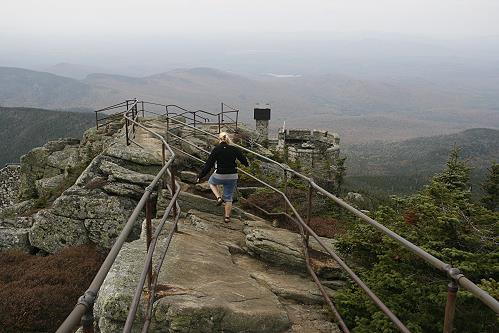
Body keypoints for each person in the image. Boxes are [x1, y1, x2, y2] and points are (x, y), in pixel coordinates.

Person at [197, 132, 249, 223]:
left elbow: (208, 165)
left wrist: (200, 176)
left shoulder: (216, 149)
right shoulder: (234, 149)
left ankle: (219, 198)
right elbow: (244, 161)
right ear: (228, 139)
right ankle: (227, 217)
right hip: (232, 176)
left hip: (219, 175)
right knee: (228, 197)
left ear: (219, 139)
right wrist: (246, 164)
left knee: (211, 182)